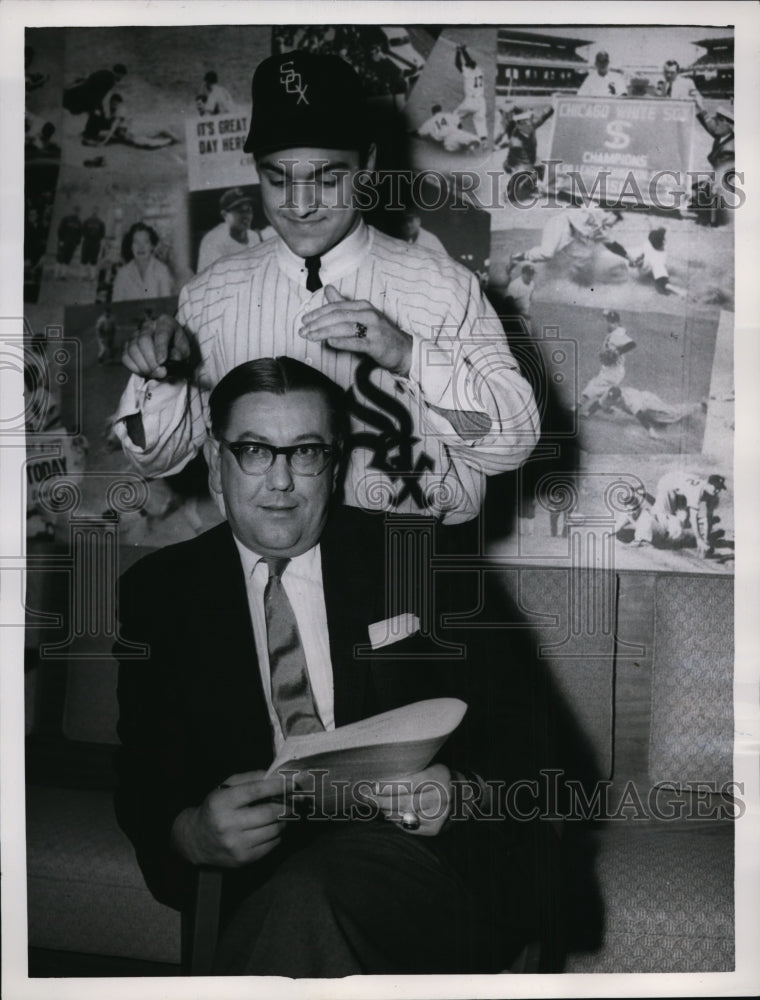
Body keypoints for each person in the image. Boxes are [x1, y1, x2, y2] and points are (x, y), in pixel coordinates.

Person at [114, 357, 544, 976]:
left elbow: (532, 736)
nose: (281, 480)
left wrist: (463, 792)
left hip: (424, 860)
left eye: (306, 452)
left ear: (335, 465)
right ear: (215, 462)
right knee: (296, 901)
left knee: (306, 898)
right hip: (259, 872)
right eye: (254, 451)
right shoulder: (160, 593)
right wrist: (190, 833)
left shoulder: (418, 558)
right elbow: (142, 771)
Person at [113, 51, 539, 525]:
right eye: (278, 179)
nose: (301, 205)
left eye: (327, 179)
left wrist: (408, 355)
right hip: (266, 564)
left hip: (407, 557)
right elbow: (156, 459)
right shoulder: (210, 295)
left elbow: (512, 445)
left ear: (367, 165)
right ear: (256, 170)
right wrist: (163, 376)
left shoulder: (443, 286)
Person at [634, 471, 726, 557]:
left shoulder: (713, 495)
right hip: (668, 484)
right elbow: (693, 518)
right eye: (715, 487)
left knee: (682, 522)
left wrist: (706, 539)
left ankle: (685, 529)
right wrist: (699, 539)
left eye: (719, 488)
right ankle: (644, 494)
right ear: (707, 483)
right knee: (663, 514)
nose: (717, 491)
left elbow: (709, 517)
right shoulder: (696, 491)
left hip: (682, 491)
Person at [511, 207, 623, 265]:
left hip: (569, 237)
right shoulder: (594, 207)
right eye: (616, 220)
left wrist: (630, 258)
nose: (614, 224)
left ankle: (522, 259)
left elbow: (613, 245)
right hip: (561, 223)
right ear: (611, 213)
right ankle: (521, 256)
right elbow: (574, 195)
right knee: (547, 254)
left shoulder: (601, 231)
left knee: (585, 256)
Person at [197, 188, 273, 273]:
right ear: (224, 215)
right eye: (240, 211)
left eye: (248, 210)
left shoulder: (253, 236)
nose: (246, 216)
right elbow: (210, 277)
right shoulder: (213, 241)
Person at [577, 310, 636, 416]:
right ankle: (605, 408)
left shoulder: (617, 334)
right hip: (611, 370)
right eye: (608, 321)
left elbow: (632, 344)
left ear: (617, 323)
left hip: (613, 371)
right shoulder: (614, 333)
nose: (609, 324)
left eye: (612, 322)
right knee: (606, 392)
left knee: (593, 385)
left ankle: (578, 407)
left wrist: (618, 352)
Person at [601, 385, 702, 439]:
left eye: (615, 399)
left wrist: (651, 432)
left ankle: (698, 406)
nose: (613, 401)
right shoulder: (608, 396)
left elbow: (640, 416)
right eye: (612, 399)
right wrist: (599, 410)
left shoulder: (630, 400)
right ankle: (661, 423)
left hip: (648, 402)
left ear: (620, 396)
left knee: (672, 414)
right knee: (660, 422)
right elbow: (598, 404)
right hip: (642, 404)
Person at [112, 221, 174, 302]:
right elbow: (116, 306)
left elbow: (166, 305)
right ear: (131, 246)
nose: (141, 247)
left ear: (152, 246)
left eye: (146, 242)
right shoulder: (122, 274)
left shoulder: (162, 270)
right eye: (136, 242)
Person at [625, 227, 686, 298]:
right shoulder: (657, 260)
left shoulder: (648, 244)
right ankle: (638, 263)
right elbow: (662, 283)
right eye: (663, 240)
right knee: (656, 274)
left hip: (639, 260)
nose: (664, 241)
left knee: (637, 258)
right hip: (643, 271)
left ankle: (637, 262)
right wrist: (678, 291)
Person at [453, 45, 488, 146]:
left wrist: (458, 52)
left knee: (455, 115)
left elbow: (458, 64)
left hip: (470, 101)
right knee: (480, 121)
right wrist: (464, 51)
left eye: (466, 65)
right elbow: (469, 61)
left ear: (468, 67)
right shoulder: (479, 71)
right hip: (481, 102)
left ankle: (458, 134)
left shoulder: (468, 72)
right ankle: (484, 141)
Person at [413, 103, 480, 152]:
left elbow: (419, 133)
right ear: (440, 110)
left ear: (433, 113)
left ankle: (464, 149)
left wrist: (410, 132)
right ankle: (469, 146)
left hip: (447, 140)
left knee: (455, 151)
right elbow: (460, 125)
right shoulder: (448, 115)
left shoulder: (430, 121)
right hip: (456, 133)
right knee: (473, 140)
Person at [54, 206, 82, 280]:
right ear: (72, 210)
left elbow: (79, 234)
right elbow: (60, 230)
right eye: (75, 210)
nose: (76, 212)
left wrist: (77, 243)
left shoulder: (79, 222)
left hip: (72, 244)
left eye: (78, 211)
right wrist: (61, 240)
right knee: (60, 258)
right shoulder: (66, 219)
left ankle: (63, 275)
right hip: (64, 242)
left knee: (67, 259)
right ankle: (56, 274)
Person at [80, 207, 106, 282]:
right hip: (87, 242)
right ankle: (83, 276)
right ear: (91, 211)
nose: (95, 212)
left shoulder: (101, 223)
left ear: (98, 212)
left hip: (95, 244)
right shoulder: (87, 221)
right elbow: (83, 231)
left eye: (96, 211)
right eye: (94, 210)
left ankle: (92, 276)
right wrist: (87, 237)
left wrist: (97, 239)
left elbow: (102, 234)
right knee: (84, 259)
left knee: (93, 260)